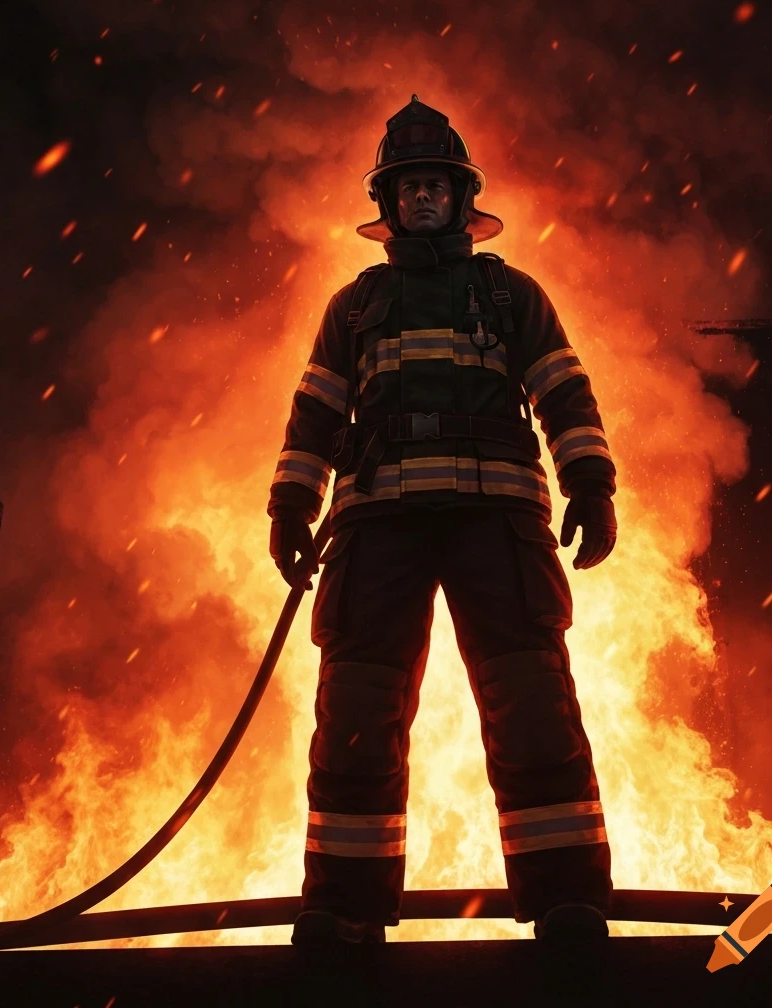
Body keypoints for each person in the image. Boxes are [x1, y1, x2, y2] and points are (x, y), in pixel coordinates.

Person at [268, 95, 617, 946]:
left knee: (531, 703)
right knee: (358, 712)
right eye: (408, 187)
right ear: (386, 205)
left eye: (435, 185)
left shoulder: (511, 295)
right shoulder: (353, 307)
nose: (422, 198)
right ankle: (346, 911)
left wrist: (592, 482)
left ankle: (568, 901)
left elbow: (565, 393)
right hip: (378, 525)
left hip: (495, 523)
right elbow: (315, 414)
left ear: (464, 199)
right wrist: (289, 506)